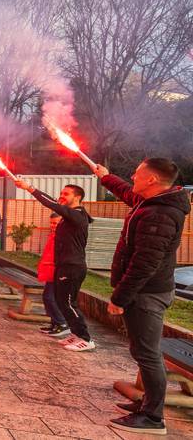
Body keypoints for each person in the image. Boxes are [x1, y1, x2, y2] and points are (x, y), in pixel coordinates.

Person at [94, 159, 190, 435]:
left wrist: (120, 297)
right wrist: (106, 177)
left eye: (138, 173)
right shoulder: (152, 202)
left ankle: (153, 417)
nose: (133, 176)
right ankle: (147, 404)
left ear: (152, 180)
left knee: (148, 354)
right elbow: (127, 192)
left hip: (147, 295)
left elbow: (144, 263)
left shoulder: (160, 214)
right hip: (144, 292)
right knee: (142, 351)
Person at [15, 179, 95, 351]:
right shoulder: (68, 217)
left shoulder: (78, 214)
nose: (61, 196)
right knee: (60, 301)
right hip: (63, 265)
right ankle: (75, 334)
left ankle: (86, 338)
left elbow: (52, 204)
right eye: (61, 193)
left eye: (66, 194)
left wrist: (29, 188)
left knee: (68, 302)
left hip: (73, 266)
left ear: (78, 197)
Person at [36, 214, 69, 337]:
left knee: (49, 297)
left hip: (57, 272)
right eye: (51, 223)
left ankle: (62, 323)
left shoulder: (64, 237)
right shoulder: (54, 235)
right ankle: (55, 323)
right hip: (51, 271)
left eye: (55, 223)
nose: (52, 225)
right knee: (48, 297)